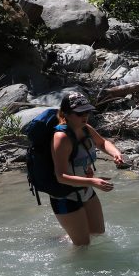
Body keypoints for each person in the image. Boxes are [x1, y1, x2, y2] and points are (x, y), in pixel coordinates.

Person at [50, 91, 124, 246]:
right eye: (80, 113)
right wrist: (93, 182)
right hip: (65, 196)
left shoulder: (85, 128)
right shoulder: (61, 138)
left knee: (98, 234)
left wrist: (115, 153)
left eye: (87, 111)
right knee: (83, 245)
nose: (85, 116)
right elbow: (61, 176)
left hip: (86, 190)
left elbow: (102, 143)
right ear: (66, 114)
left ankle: (66, 236)